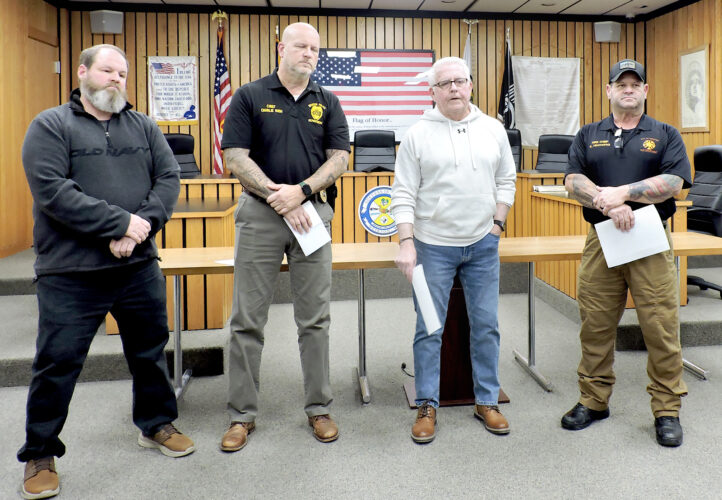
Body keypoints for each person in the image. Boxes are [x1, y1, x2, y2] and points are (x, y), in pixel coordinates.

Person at [18, 44, 194, 499]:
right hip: (71, 271)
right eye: (107, 70)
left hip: (137, 266)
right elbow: (53, 190)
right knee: (58, 362)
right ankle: (40, 452)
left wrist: (139, 228)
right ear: (82, 72)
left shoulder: (144, 126)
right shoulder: (50, 125)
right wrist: (119, 224)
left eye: (123, 73)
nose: (117, 79)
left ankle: (156, 424)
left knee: (149, 351)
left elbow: (168, 179)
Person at [219, 22, 350, 451]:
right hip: (260, 214)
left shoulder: (327, 101)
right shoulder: (250, 95)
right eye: (301, 46)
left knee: (315, 318)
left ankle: (319, 408)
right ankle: (241, 415)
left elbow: (340, 159)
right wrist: (280, 196)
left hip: (312, 215)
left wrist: (302, 192)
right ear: (281, 48)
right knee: (247, 320)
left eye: (315, 48)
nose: (309, 54)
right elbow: (234, 156)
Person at [562, 59, 692, 447]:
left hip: (650, 239)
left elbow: (674, 182)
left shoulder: (665, 134)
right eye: (621, 84)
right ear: (609, 91)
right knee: (595, 324)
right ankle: (593, 400)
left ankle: (666, 409)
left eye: (635, 84)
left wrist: (625, 193)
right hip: (602, 238)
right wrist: (608, 204)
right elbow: (572, 179)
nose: (629, 89)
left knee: (660, 326)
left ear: (646, 91)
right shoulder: (588, 134)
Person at [391, 57, 517, 443]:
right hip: (432, 247)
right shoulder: (417, 134)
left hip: (483, 245)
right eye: (444, 84)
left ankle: (486, 401)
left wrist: (497, 226)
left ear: (470, 85)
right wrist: (406, 242)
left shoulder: (493, 129)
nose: (453, 89)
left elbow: (507, 180)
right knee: (430, 327)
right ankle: (427, 403)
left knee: (486, 326)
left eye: (459, 81)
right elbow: (403, 192)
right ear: (432, 92)